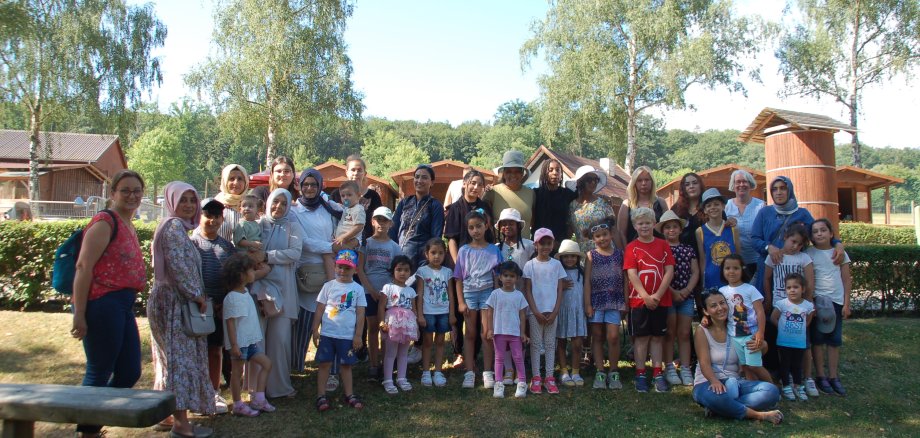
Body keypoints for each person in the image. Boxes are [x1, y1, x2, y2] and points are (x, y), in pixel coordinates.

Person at [70, 170, 147, 438]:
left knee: (129, 372)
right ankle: (87, 431)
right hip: (102, 304)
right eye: (124, 190)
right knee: (99, 371)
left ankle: (90, 422)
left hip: (123, 305)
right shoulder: (105, 221)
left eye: (136, 190)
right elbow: (83, 266)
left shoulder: (128, 223)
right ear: (112, 193)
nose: (131, 195)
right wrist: (79, 313)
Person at [148, 181, 215, 438]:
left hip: (170, 299)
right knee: (180, 361)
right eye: (183, 200)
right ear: (171, 201)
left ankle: (165, 413)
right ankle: (181, 424)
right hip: (176, 302)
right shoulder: (174, 227)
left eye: (192, 200)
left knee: (167, 360)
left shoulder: (172, 227)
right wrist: (196, 295)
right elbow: (179, 267)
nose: (188, 205)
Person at [693, 290, 783, 424]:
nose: (720, 308)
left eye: (722, 303)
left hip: (735, 382)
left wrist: (762, 345)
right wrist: (714, 381)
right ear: (706, 311)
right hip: (707, 383)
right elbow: (704, 363)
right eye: (713, 306)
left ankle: (720, 409)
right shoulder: (702, 331)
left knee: (771, 391)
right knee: (717, 398)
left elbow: (757, 351)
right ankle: (759, 415)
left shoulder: (738, 327)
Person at [288, 169, 343, 384]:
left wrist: (338, 245)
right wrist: (330, 247)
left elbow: (345, 224)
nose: (309, 188)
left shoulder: (329, 206)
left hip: (332, 271)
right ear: (299, 186)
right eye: (305, 184)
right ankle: (295, 367)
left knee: (332, 321)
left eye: (313, 184)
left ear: (320, 185)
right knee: (304, 322)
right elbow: (304, 241)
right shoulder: (294, 211)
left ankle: (333, 371)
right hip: (308, 273)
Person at [191, 198, 236, 414]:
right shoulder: (192, 243)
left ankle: (213, 391)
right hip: (197, 306)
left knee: (216, 350)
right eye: (208, 215)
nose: (212, 220)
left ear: (222, 219)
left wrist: (224, 301)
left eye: (217, 216)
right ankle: (195, 391)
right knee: (196, 351)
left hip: (220, 306)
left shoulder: (227, 246)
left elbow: (234, 276)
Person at [625, 207, 675, 393]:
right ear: (634, 226)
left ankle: (657, 373)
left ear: (654, 224)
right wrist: (645, 296)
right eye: (640, 223)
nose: (644, 226)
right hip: (639, 301)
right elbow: (632, 273)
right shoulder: (632, 247)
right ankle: (640, 374)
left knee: (657, 338)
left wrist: (658, 295)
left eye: (648, 223)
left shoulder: (663, 245)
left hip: (660, 300)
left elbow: (669, 270)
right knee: (641, 338)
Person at [260, 188, 303, 398]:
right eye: (275, 202)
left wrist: (267, 256)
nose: (278, 207)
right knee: (257, 339)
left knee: (279, 340)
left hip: (284, 288)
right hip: (259, 288)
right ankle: (256, 388)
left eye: (283, 204)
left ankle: (279, 387)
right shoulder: (259, 225)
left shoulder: (292, 226)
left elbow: (295, 253)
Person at [220, 253, 275, 417]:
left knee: (266, 364)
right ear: (241, 275)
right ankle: (237, 404)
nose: (254, 273)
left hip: (250, 342)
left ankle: (259, 398)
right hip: (240, 344)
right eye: (251, 270)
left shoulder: (245, 292)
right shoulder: (232, 297)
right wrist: (234, 345)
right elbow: (230, 323)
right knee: (237, 373)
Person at [312, 250, 366, 411]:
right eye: (339, 267)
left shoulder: (358, 289)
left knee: (346, 365)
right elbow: (320, 308)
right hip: (328, 334)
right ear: (334, 266)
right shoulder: (328, 286)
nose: (342, 271)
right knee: (324, 364)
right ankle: (321, 395)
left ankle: (349, 394)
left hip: (347, 336)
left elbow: (360, 313)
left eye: (347, 268)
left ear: (355, 270)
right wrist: (315, 329)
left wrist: (358, 335)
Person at [453, 209, 503, 389]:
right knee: (470, 333)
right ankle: (469, 371)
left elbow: (498, 277)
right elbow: (458, 278)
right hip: (469, 295)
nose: (476, 231)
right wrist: (460, 301)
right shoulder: (464, 251)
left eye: (479, 226)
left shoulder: (494, 250)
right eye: (471, 227)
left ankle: (488, 372)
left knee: (487, 333)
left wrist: (497, 297)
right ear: (467, 229)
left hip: (488, 295)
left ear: (486, 226)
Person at [356, 206, 403, 380]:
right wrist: (371, 290)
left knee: (386, 329)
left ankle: (387, 364)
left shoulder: (395, 247)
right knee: (373, 327)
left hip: (388, 295)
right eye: (378, 219)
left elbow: (397, 273)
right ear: (372, 221)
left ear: (391, 223)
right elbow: (360, 269)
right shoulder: (365, 243)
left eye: (385, 220)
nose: (381, 223)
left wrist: (386, 293)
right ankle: (373, 365)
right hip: (368, 292)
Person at [807, 219, 851, 396]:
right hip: (818, 301)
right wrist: (810, 302)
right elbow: (809, 279)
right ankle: (821, 375)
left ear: (831, 234)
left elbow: (846, 279)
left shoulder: (839, 253)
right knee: (817, 340)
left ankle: (834, 376)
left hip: (836, 301)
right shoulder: (809, 253)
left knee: (834, 341)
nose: (819, 234)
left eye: (823, 230)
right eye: (815, 231)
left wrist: (847, 303)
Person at [584, 216, 627, 390]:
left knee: (613, 336)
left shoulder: (619, 254)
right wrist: (587, 303)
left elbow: (625, 279)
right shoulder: (590, 255)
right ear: (593, 239)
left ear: (611, 234)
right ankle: (600, 370)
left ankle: (614, 370)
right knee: (597, 335)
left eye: (605, 234)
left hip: (615, 299)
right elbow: (587, 280)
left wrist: (626, 301)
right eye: (598, 236)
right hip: (596, 300)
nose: (602, 239)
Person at [523, 228, 567, 395]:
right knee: (535, 345)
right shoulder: (530, 265)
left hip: (552, 313)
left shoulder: (556, 265)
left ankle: (549, 377)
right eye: (542, 243)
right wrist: (535, 311)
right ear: (536, 245)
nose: (546, 247)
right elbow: (527, 290)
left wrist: (555, 311)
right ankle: (536, 377)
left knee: (550, 345)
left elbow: (559, 289)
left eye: (549, 243)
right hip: (535, 313)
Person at [658, 210, 699, 387]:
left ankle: (685, 368)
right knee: (669, 333)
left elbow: (695, 271)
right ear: (663, 230)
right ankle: (668, 367)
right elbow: (659, 274)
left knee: (683, 333)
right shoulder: (660, 249)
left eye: (674, 227)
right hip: (668, 295)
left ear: (680, 229)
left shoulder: (688, 249)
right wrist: (673, 291)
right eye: (667, 227)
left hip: (686, 296)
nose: (671, 230)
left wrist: (687, 289)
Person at [718, 254, 771, 382]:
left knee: (754, 365)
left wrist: (760, 333)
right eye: (727, 268)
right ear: (723, 271)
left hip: (751, 335)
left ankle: (772, 388)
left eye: (735, 268)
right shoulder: (722, 291)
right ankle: (753, 389)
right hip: (734, 335)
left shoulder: (750, 289)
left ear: (742, 269)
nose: (731, 271)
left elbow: (760, 312)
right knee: (745, 366)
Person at [484, 261, 530, 399]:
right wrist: (490, 329)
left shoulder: (519, 296)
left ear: (517, 278)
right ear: (500, 277)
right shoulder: (495, 294)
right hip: (499, 333)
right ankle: (498, 384)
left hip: (515, 333)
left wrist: (522, 333)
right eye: (505, 275)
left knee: (518, 357)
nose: (508, 278)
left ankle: (522, 382)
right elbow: (489, 313)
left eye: (512, 276)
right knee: (499, 358)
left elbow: (522, 316)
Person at [416, 238, 455, 387]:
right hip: (428, 312)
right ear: (427, 254)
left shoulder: (448, 272)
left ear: (445, 254)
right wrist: (420, 314)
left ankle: (438, 371)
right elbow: (419, 293)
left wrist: (451, 314)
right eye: (433, 253)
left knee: (440, 341)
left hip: (443, 312)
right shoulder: (422, 271)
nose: (436, 256)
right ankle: (426, 372)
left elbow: (451, 295)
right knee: (427, 342)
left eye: (440, 253)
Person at [379, 255, 420, 394]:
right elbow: (381, 306)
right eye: (399, 269)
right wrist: (382, 323)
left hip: (408, 325)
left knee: (403, 353)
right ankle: (388, 380)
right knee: (391, 353)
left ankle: (401, 378)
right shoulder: (388, 288)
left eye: (406, 270)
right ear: (393, 271)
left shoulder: (411, 291)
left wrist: (416, 325)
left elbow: (413, 310)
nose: (403, 273)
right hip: (392, 325)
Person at [770, 273, 814, 402]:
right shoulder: (782, 304)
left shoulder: (808, 306)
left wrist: (800, 329)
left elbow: (808, 320)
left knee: (797, 365)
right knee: (785, 364)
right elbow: (773, 318)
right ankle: (786, 386)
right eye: (789, 288)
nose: (792, 290)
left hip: (799, 342)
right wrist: (782, 328)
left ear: (803, 289)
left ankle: (798, 386)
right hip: (784, 342)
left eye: (796, 287)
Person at [390, 164, 444, 266]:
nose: (419, 180)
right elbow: (393, 228)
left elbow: (436, 237)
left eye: (424, 177)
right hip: (398, 258)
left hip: (421, 261)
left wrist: (429, 261)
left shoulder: (435, 205)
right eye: (417, 177)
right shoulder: (404, 202)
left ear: (432, 182)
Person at [554, 239, 587, 387]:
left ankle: (575, 371)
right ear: (561, 258)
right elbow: (549, 289)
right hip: (562, 310)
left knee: (577, 343)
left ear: (578, 258)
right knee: (560, 341)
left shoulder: (582, 272)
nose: (569, 259)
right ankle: (564, 371)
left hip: (578, 311)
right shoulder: (557, 272)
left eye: (573, 256)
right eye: (566, 256)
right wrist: (559, 286)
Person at [444, 169, 493, 265]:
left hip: (482, 260)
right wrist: (457, 264)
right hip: (461, 260)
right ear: (464, 184)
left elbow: (489, 234)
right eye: (473, 183)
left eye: (480, 185)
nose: (476, 187)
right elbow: (452, 239)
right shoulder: (455, 208)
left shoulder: (485, 207)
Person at [696, 188, 742, 291]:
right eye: (709, 205)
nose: (713, 207)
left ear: (723, 206)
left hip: (732, 280)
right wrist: (703, 283)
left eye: (716, 204)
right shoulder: (700, 231)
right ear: (704, 210)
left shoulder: (733, 229)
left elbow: (738, 255)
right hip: (711, 280)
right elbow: (703, 259)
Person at [331, 155, 384, 241]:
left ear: (365, 173)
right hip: (339, 242)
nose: (356, 173)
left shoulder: (373, 196)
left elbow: (380, 221)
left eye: (359, 170)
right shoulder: (336, 194)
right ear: (346, 172)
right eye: (353, 170)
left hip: (365, 244)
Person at [484, 150, 535, 239]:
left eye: (517, 171)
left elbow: (533, 222)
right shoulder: (493, 192)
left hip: (525, 250)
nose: (513, 175)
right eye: (509, 171)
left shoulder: (531, 193)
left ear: (522, 173)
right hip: (499, 250)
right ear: (503, 173)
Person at [724, 169, 765, 277]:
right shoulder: (726, 206)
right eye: (738, 182)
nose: (741, 184)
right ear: (733, 185)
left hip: (758, 260)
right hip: (735, 262)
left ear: (750, 184)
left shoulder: (761, 206)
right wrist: (725, 224)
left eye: (745, 181)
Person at [568, 165, 615, 252]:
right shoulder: (572, 206)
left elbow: (614, 230)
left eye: (596, 180)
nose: (593, 182)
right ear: (579, 182)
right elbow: (569, 231)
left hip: (606, 253)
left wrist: (621, 253)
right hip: (584, 256)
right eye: (589, 180)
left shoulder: (603, 203)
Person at [532, 159, 577, 250]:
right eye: (550, 170)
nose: (555, 173)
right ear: (544, 173)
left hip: (561, 245)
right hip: (540, 244)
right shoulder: (535, 194)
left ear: (561, 174)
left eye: (558, 170)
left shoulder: (568, 194)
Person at [617, 166, 668, 244]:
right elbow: (621, 233)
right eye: (639, 180)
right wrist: (626, 252)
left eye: (647, 180)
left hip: (658, 251)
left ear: (652, 182)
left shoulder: (661, 203)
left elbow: (667, 229)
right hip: (634, 252)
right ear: (634, 183)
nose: (643, 183)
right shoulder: (627, 205)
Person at [329, 180, 366, 278]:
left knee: (346, 269)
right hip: (342, 242)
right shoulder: (347, 208)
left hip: (349, 242)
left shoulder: (358, 209)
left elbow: (359, 226)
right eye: (343, 195)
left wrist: (344, 237)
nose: (345, 198)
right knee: (339, 267)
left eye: (349, 195)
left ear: (358, 195)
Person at [670, 172, 706, 253]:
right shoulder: (676, 209)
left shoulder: (709, 207)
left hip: (706, 256)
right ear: (683, 188)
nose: (691, 186)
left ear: (700, 186)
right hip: (682, 257)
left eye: (695, 183)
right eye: (687, 184)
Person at [215, 164, 249, 242]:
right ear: (225, 181)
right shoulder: (213, 205)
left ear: (246, 182)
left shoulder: (251, 205)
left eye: (240, 179)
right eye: (231, 179)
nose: (236, 183)